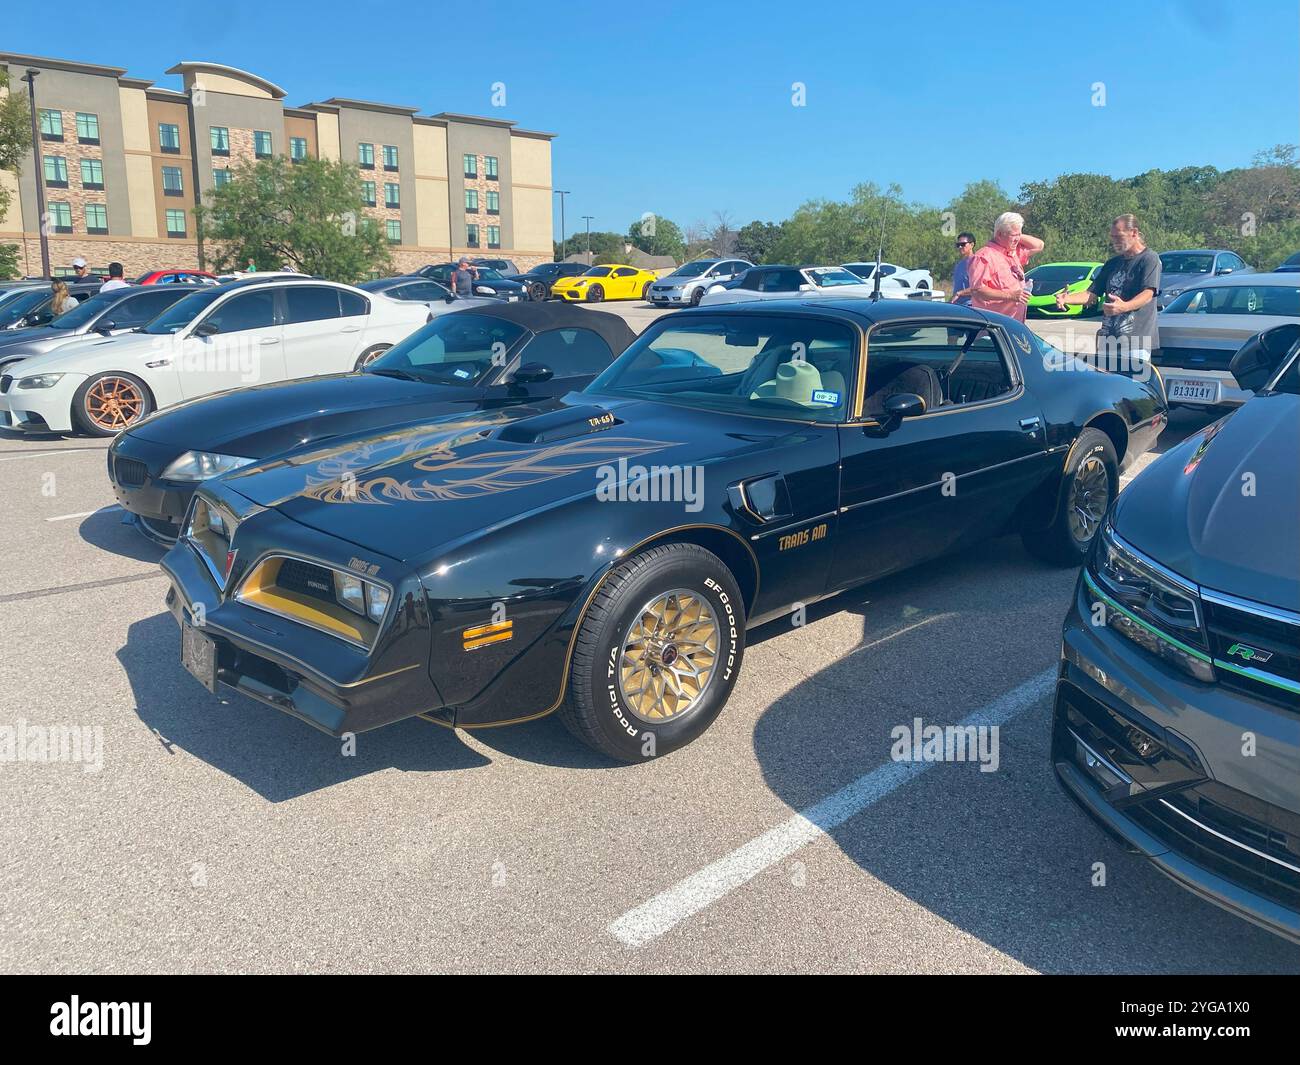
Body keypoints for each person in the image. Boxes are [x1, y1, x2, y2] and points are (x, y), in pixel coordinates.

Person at [1055, 214, 1160, 369]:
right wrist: (1067, 299)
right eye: (1113, 237)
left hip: (1135, 342)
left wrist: (1123, 306)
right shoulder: (1112, 263)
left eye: (1119, 237)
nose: (1115, 242)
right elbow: (1092, 294)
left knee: (1132, 389)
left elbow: (1148, 294)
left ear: (1134, 233)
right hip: (1109, 340)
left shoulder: (1149, 259)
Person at [966, 212, 1044, 322]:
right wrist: (1010, 295)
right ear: (999, 234)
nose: (1017, 239)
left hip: (1014, 326)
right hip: (993, 329)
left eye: (1019, 235)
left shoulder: (1013, 253)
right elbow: (977, 291)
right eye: (1013, 235)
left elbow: (1039, 245)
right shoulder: (984, 257)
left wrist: (1016, 234)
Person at [950, 232, 976, 306]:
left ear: (972, 245)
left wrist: (960, 293)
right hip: (958, 306)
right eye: (958, 245)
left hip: (971, 306)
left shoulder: (976, 263)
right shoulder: (958, 265)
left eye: (963, 244)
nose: (960, 247)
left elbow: (979, 288)